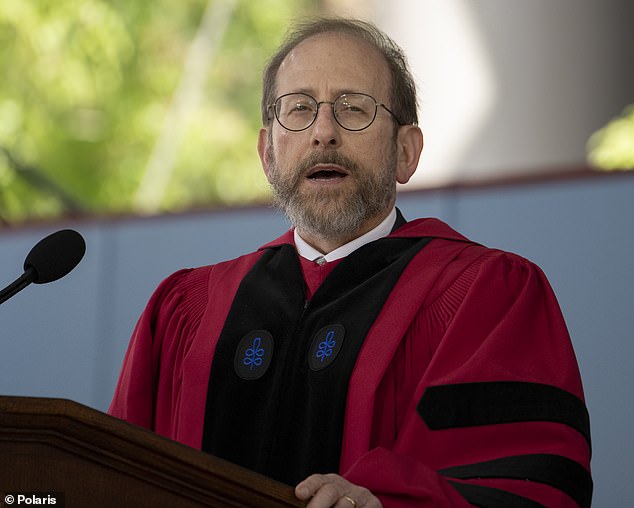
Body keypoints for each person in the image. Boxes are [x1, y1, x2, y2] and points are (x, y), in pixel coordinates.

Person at [109, 18, 592, 508]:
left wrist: (386, 503)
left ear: (406, 152)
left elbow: (527, 485)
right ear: (267, 154)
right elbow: (109, 477)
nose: (323, 133)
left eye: (354, 108)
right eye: (298, 109)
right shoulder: (186, 311)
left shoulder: (485, 296)